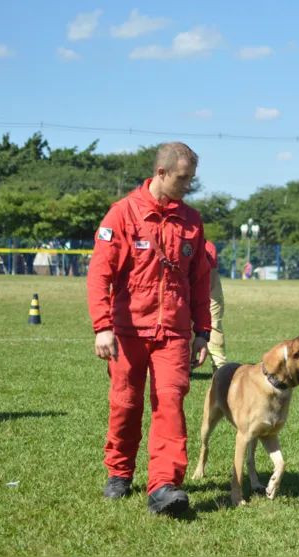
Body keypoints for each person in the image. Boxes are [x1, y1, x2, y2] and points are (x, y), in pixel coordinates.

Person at [86, 142, 212, 516]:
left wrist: (202, 330)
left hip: (173, 331)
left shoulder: (191, 220)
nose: (189, 185)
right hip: (127, 331)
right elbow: (99, 275)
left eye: (191, 178)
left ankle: (164, 485)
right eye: (183, 177)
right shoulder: (122, 214)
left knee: (171, 403)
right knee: (125, 404)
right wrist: (102, 326)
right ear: (161, 173)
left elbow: (200, 279)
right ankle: (119, 472)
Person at [205, 240, 227, 372]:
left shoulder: (208, 247)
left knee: (214, 325)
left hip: (210, 289)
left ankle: (219, 367)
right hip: (187, 288)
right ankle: (185, 364)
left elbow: (211, 278)